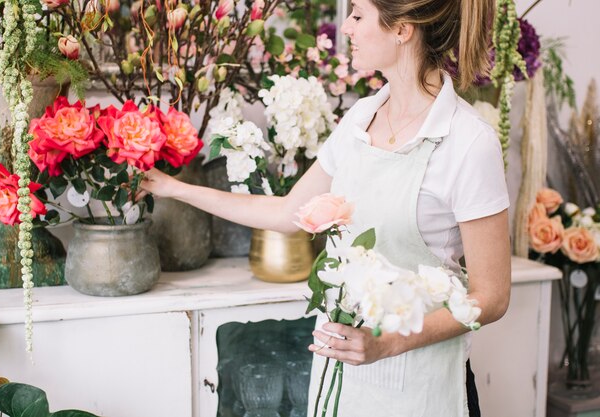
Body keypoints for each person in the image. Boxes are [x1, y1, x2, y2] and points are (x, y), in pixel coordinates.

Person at [139, 0, 511, 415]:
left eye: (357, 15)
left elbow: (491, 296)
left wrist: (387, 343)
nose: (346, 28)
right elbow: (286, 213)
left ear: (402, 29)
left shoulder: (469, 142)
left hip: (426, 384)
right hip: (345, 382)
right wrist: (175, 188)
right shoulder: (360, 118)